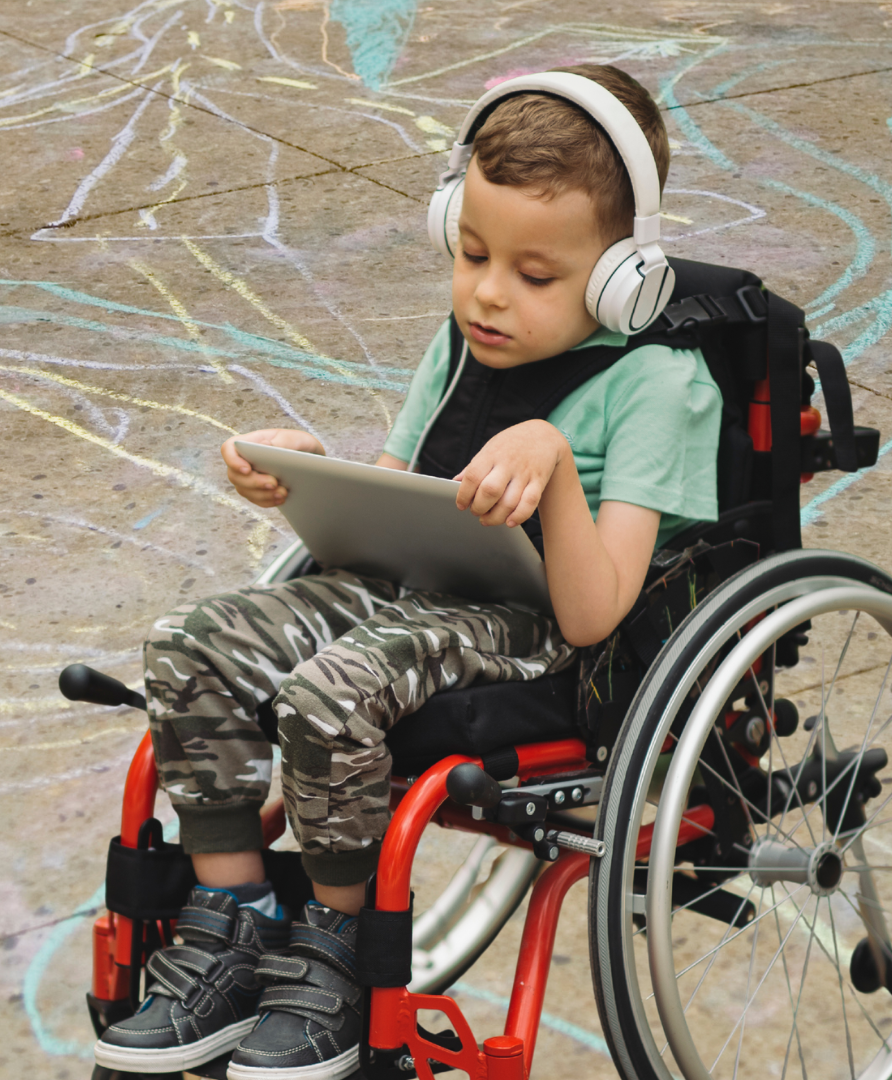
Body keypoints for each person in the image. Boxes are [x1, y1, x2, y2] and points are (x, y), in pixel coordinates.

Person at [94, 63, 722, 1080]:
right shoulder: (466, 343)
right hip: (410, 588)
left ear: (620, 276)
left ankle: (340, 950)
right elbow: (390, 502)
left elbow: (598, 612)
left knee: (334, 689)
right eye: (471, 253)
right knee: (190, 646)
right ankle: (237, 919)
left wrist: (553, 469)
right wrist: (302, 476)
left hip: (536, 627)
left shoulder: (657, 384)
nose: (487, 291)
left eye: (535, 274)